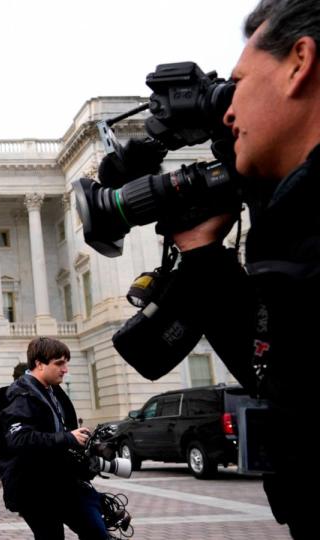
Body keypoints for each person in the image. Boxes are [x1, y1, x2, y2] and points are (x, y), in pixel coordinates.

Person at [168, 1, 320, 536]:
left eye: (239, 86)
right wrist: (206, 258)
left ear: (300, 63)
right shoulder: (293, 224)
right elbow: (281, 375)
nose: (228, 115)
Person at [0, 337, 109, 540]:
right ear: (39, 364)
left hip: (63, 482)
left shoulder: (52, 391)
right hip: (34, 490)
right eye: (59, 363)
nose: (65, 369)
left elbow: (61, 430)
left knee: (97, 532)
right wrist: (67, 438)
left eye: (66, 362)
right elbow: (19, 439)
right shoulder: (21, 396)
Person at [0, 362, 28, 497]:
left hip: (16, 449)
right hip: (2, 451)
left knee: (14, 473)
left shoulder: (15, 411)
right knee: (9, 473)